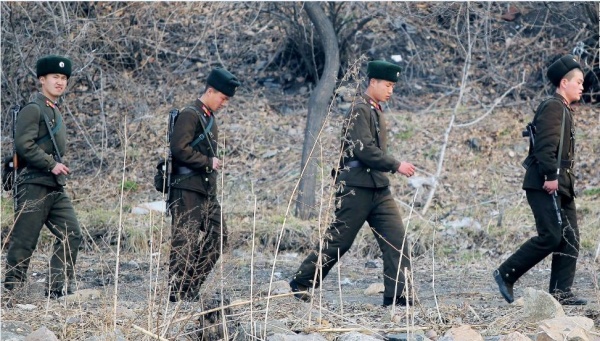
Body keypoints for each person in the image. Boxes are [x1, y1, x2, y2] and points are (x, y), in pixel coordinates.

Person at [289, 60, 416, 307]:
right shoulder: (359, 109)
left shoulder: (374, 110)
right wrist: (396, 164)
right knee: (339, 241)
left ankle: (398, 299)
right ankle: (302, 282)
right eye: (388, 84)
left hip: (378, 188)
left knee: (396, 240)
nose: (391, 90)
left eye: (393, 86)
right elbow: (365, 151)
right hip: (356, 188)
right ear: (373, 82)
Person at [494, 54, 587, 306]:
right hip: (544, 182)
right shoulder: (553, 106)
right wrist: (550, 175)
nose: (582, 86)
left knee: (569, 238)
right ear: (563, 83)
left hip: (562, 183)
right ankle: (505, 273)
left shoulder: (564, 108)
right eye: (578, 82)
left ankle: (560, 292)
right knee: (550, 236)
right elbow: (545, 146)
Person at [3, 55, 82, 298]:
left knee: (72, 233)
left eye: (64, 78)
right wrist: (51, 164)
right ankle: (12, 291)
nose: (60, 82)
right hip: (33, 183)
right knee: (24, 241)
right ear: (42, 79)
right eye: (55, 77)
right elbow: (23, 144)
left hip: (53, 185)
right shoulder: (34, 109)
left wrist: (54, 169)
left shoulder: (54, 111)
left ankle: (56, 289)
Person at [168, 67, 240, 302]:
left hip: (205, 190)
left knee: (219, 236)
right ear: (210, 91)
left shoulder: (208, 117)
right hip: (187, 187)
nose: (225, 103)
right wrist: (208, 161)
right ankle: (177, 294)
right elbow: (179, 149)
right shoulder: (190, 114)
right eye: (223, 97)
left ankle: (190, 285)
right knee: (184, 241)